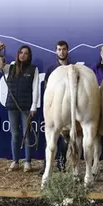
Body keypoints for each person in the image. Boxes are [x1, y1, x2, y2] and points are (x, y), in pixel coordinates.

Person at [0, 42, 39, 173]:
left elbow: (35, 88)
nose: (23, 55)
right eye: (21, 52)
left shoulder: (33, 69)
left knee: (27, 135)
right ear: (18, 54)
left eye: (26, 53)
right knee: (15, 134)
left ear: (29, 56)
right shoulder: (10, 67)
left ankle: (27, 162)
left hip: (26, 107)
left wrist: (34, 106)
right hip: (12, 105)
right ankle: (15, 162)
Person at [40, 40, 72, 174]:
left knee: (65, 137)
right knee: (50, 136)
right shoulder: (51, 69)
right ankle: (47, 164)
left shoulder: (72, 68)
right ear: (56, 51)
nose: (62, 52)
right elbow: (47, 89)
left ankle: (62, 162)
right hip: (53, 108)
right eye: (59, 49)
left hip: (67, 108)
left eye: (64, 49)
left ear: (67, 51)